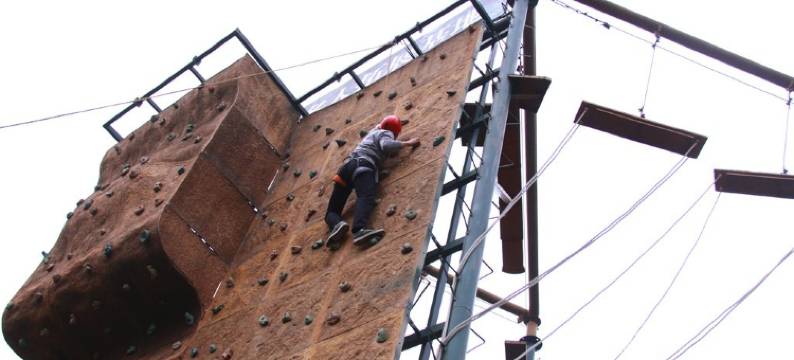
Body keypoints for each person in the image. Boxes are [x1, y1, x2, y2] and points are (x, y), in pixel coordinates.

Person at [324, 114, 420, 248]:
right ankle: (359, 230)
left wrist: (397, 123)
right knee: (365, 196)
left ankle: (337, 224)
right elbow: (386, 145)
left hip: (345, 169)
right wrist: (408, 143)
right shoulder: (386, 133)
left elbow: (381, 125)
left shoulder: (373, 132)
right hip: (362, 166)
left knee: (332, 211)